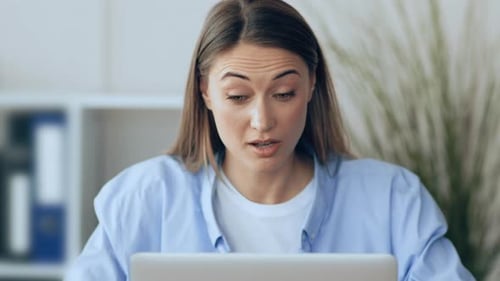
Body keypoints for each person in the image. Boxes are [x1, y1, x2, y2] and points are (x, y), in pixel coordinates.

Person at [64, 0, 475, 280]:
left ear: (312, 85)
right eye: (238, 97)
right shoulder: (145, 198)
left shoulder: (392, 200)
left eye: (284, 94)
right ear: (206, 92)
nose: (262, 121)